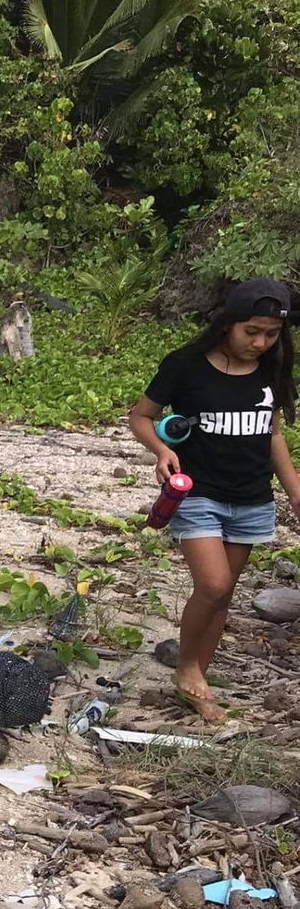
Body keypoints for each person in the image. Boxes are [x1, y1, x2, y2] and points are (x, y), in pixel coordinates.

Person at [127, 277, 300, 721]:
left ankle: (196, 678)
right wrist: (164, 450)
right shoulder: (185, 365)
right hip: (197, 492)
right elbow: (142, 416)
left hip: (252, 497)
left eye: (272, 334)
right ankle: (186, 667)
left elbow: (273, 433)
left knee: (223, 597)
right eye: (252, 332)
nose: (261, 342)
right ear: (227, 324)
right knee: (214, 584)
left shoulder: (270, 368)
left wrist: (294, 491)